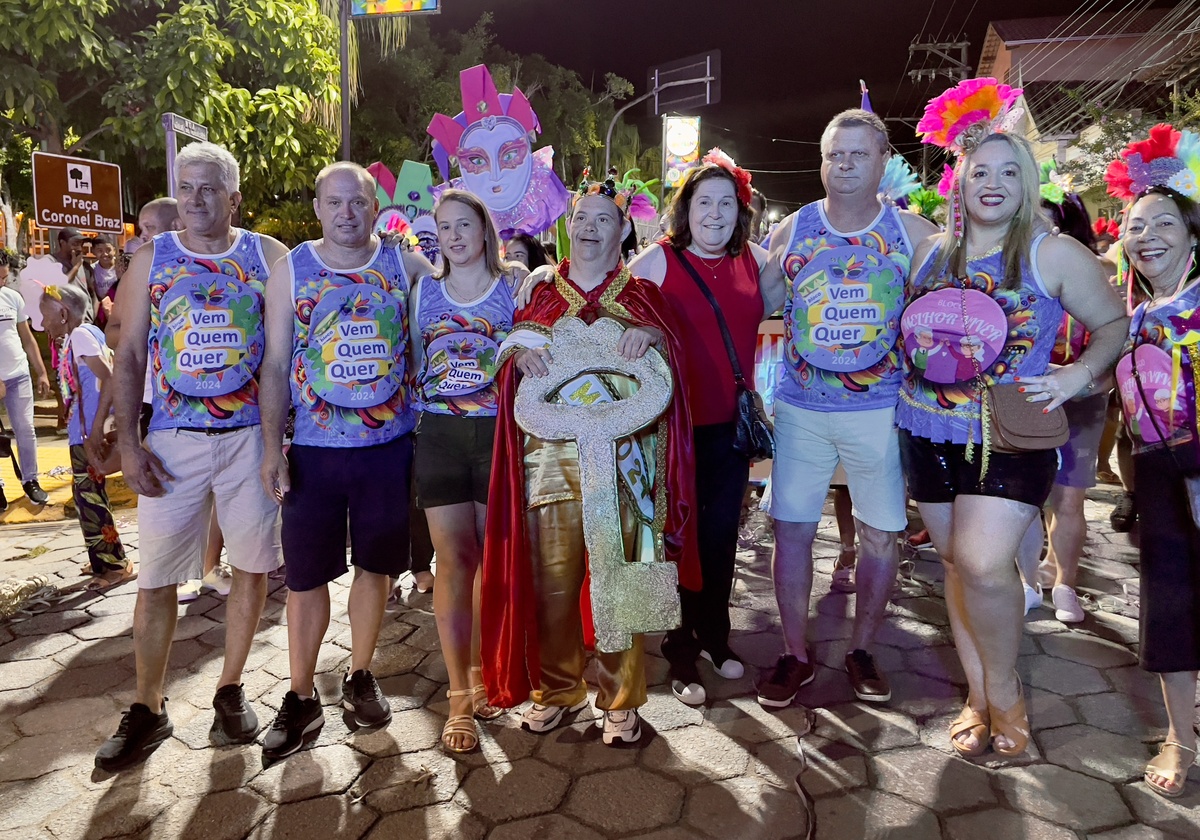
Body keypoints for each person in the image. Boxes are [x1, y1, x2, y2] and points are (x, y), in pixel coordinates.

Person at [898, 80, 1127, 758]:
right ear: (959, 183)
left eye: (1008, 173)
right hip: (926, 428)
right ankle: (975, 695)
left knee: (984, 562)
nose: (992, 185)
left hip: (1012, 433)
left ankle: (1006, 692)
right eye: (980, 173)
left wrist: (1077, 375)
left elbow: (1114, 325)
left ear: (1027, 184)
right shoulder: (931, 252)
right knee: (954, 564)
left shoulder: (1051, 252)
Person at [482, 174, 700, 746]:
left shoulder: (646, 298)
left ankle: (621, 699)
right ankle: (556, 689)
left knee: (623, 576)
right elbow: (509, 358)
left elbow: (676, 360)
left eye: (604, 218)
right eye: (582, 217)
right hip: (550, 456)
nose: (590, 227)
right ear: (567, 225)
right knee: (552, 579)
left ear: (625, 229)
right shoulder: (541, 292)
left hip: (630, 457)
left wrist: (654, 337)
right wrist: (518, 360)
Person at [97, 142, 288, 772]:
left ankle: (230, 688)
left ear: (234, 197)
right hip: (173, 443)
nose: (196, 199)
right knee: (155, 581)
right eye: (187, 187)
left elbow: (285, 356)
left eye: (210, 188)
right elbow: (125, 357)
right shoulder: (152, 259)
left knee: (253, 567)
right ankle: (148, 708)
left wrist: (279, 443)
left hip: (249, 443)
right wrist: (127, 441)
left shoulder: (269, 256)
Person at [754, 109, 938, 708]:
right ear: (823, 161)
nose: (846, 165)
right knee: (792, 530)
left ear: (884, 161)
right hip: (802, 407)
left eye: (860, 155)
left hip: (880, 408)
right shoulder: (794, 230)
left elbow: (947, 312)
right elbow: (759, 301)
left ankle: (862, 650)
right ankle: (794, 654)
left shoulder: (913, 233)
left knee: (881, 534)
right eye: (837, 155)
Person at [258, 161, 433, 762]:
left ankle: (360, 675)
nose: (346, 214)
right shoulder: (292, 270)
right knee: (305, 579)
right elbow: (276, 365)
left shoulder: (405, 266)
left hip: (387, 450)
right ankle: (301, 695)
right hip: (313, 451)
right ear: (318, 207)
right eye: (334, 203)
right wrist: (269, 451)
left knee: (377, 569)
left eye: (357, 202)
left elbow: (456, 304)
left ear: (374, 204)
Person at [622, 152, 772, 706]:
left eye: (725, 203)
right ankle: (679, 649)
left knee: (720, 537)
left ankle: (715, 637)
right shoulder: (655, 263)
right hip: (671, 431)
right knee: (676, 538)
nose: (714, 214)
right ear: (685, 210)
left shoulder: (758, 261)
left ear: (741, 211)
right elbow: (617, 325)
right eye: (703, 203)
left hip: (730, 430)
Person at [1104, 124, 1200, 798]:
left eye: (1164, 222)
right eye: (1137, 226)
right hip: (1158, 474)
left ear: (1193, 235)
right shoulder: (1134, 315)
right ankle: (1180, 737)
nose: (1147, 236)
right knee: (1169, 609)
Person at [410, 189, 515, 752]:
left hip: (500, 436)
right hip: (441, 436)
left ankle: (491, 672)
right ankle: (458, 693)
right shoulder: (423, 289)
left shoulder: (516, 284)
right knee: (452, 561)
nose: (453, 236)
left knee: (490, 562)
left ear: (484, 230)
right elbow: (412, 362)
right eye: (444, 227)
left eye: (464, 225)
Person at [1016, 194, 1110, 623]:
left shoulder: (1091, 274)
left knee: (1068, 501)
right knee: (1024, 500)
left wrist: (1080, 377)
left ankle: (1065, 584)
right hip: (1025, 400)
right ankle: (1029, 581)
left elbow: (1113, 338)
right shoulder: (1012, 276)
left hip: (1082, 402)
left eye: (1049, 225)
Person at [38, 283, 130, 587]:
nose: (42, 324)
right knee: (86, 496)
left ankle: (114, 566)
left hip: (88, 432)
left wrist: (95, 427)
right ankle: (101, 561)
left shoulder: (80, 336)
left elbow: (110, 377)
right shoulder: (86, 334)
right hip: (84, 429)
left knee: (90, 498)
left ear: (63, 313)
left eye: (45, 315)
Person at [0, 251, 50, 507]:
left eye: (4, 278)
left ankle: (30, 479)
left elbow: (27, 337)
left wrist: (41, 371)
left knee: (26, 429)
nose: (1, 283)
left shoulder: (12, 297)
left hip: (18, 373)